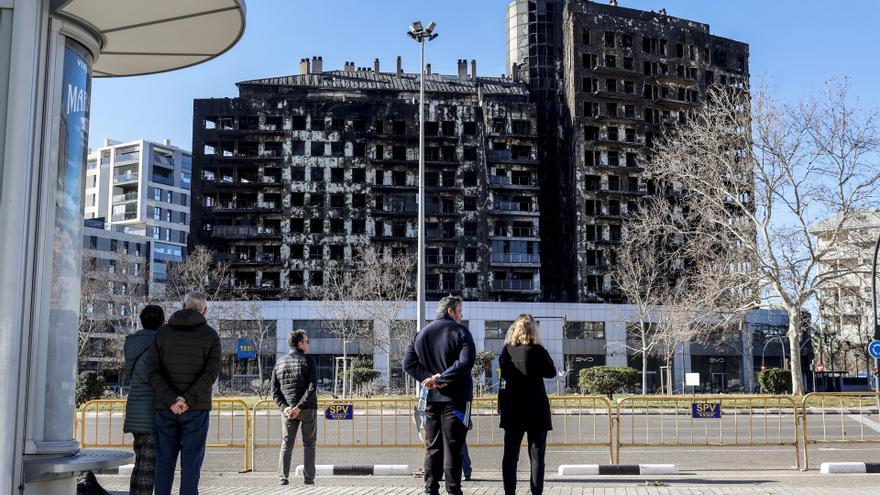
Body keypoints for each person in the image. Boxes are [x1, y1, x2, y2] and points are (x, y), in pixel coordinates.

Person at [146, 292, 222, 495]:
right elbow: (210, 374)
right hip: (197, 408)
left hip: (165, 408)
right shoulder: (211, 336)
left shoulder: (161, 334)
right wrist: (187, 399)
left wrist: (172, 399)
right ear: (204, 310)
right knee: (191, 464)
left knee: (164, 464)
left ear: (182, 306)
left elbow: (152, 371)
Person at [404, 295, 475, 495]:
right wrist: (441, 378)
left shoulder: (421, 334)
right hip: (457, 400)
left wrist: (430, 378)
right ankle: (453, 491)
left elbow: (408, 364)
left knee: (433, 447)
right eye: (460, 311)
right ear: (451, 311)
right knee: (454, 446)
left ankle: (430, 490)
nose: (461, 315)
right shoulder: (461, 332)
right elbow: (466, 363)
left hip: (431, 400)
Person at [498, 314, 556, 495]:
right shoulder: (538, 351)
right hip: (536, 409)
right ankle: (536, 492)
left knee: (510, 455)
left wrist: (501, 403)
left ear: (515, 329)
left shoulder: (507, 351)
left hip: (513, 408)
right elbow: (551, 372)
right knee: (537, 456)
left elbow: (502, 381)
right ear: (533, 330)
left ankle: (509, 492)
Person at [123, 304, 164, 495]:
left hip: (134, 411)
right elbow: (154, 378)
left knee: (140, 463)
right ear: (162, 322)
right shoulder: (156, 344)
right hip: (150, 414)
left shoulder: (132, 343)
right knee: (148, 468)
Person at [272, 329, 318, 486]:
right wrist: (299, 406)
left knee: (286, 445)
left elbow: (274, 391)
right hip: (307, 409)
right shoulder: (308, 360)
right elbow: (312, 387)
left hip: (288, 412)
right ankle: (309, 479)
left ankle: (282, 478)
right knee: (309, 445)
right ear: (300, 343)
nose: (308, 344)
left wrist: (285, 407)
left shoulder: (279, 362)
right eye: (307, 342)